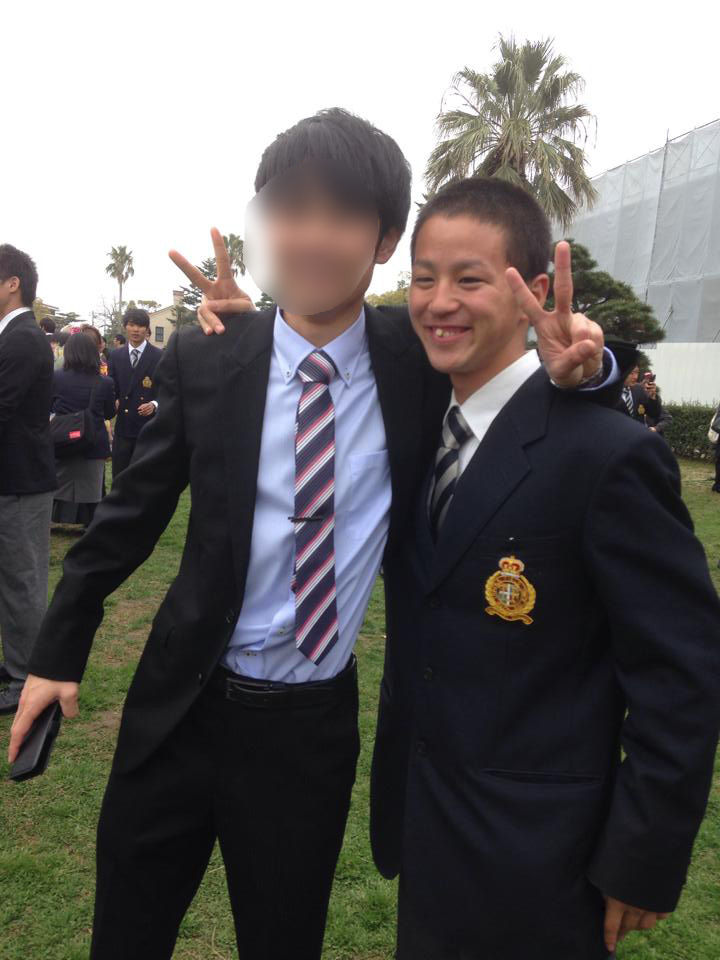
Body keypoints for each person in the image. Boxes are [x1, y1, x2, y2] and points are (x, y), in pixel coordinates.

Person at [11, 110, 618, 960]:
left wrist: (589, 374)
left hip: (308, 729)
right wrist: (57, 650)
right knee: (127, 931)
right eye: (291, 210)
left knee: (283, 938)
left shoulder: (418, 361)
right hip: (180, 702)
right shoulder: (210, 358)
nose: (312, 236)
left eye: (341, 215)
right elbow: (130, 514)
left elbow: (518, 403)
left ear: (385, 240)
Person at [365, 178, 720, 960]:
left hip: (545, 855)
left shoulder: (608, 457)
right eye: (424, 278)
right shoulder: (421, 428)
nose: (439, 302)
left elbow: (682, 674)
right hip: (426, 822)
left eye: (469, 279)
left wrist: (643, 854)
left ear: (528, 291)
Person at [0, 244, 56, 714]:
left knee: (22, 580)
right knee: (13, 579)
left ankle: (25, 679)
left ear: (12, 283)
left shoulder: (22, 338)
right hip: (13, 479)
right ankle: (16, 662)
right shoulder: (14, 335)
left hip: (20, 482)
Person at [50, 332, 116, 527]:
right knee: (91, 485)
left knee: (60, 480)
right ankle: (89, 521)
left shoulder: (56, 378)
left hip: (62, 438)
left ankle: (56, 518)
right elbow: (109, 413)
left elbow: (49, 405)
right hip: (92, 440)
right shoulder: (105, 382)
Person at [106, 308, 161, 477]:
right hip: (123, 426)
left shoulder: (159, 356)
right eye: (131, 325)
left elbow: (167, 389)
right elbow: (111, 385)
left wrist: (154, 404)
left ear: (147, 329)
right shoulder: (116, 355)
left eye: (140, 326)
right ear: (125, 327)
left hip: (147, 427)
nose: (136, 330)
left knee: (144, 477)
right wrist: (114, 399)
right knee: (120, 475)